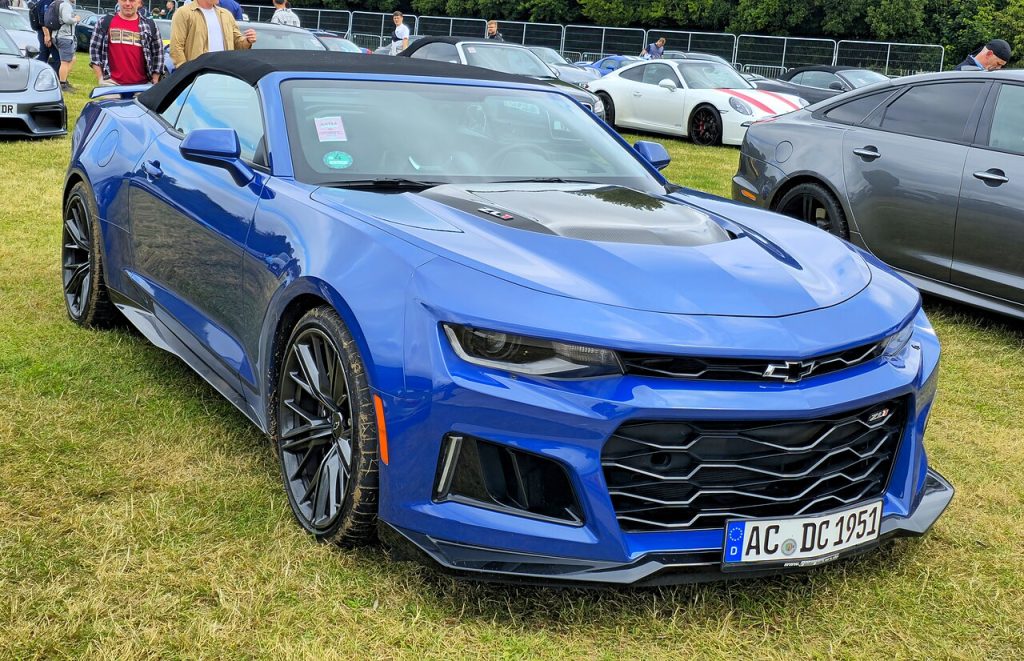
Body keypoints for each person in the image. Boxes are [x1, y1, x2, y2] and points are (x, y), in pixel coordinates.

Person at [89, 0, 163, 87]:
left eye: (132, 0)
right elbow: (94, 49)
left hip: (142, 86)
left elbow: (158, 53)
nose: (127, 4)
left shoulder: (150, 25)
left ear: (139, 2)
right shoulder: (104, 22)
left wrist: (155, 79)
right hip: (111, 84)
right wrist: (100, 77)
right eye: (124, 0)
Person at [169, 0, 256, 68]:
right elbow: (176, 47)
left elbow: (237, 44)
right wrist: (185, 73)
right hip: (196, 76)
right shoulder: (183, 13)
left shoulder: (226, 15)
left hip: (224, 75)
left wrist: (247, 40)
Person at [49, 0, 80, 90]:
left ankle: (63, 80)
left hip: (57, 35)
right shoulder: (66, 5)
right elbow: (67, 19)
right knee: (65, 62)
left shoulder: (56, 3)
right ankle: (62, 84)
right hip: (64, 37)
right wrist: (76, 19)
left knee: (71, 59)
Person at [33, 0, 60, 73]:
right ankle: (56, 77)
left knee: (44, 55)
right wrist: (47, 35)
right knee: (57, 58)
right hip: (45, 32)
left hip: (47, 32)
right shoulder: (46, 2)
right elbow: (43, 20)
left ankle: (37, 73)